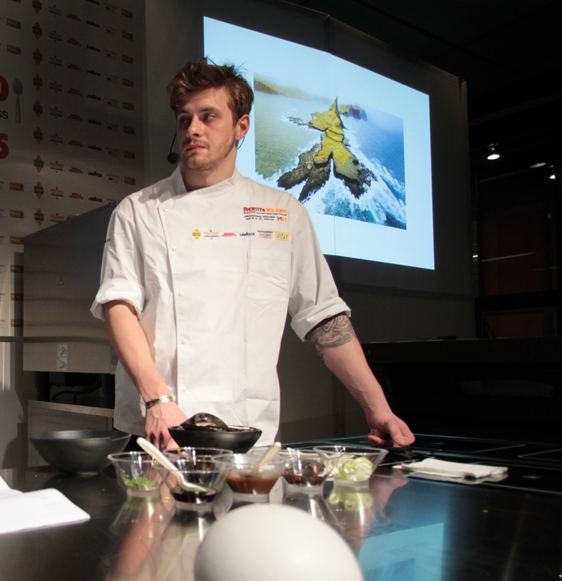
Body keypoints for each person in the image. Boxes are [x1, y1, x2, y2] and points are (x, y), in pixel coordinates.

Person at [91, 59, 414, 450]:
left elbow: (324, 316)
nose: (192, 129)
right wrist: (157, 399)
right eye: (184, 119)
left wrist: (377, 406)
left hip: (247, 433)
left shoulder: (282, 213)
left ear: (241, 126)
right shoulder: (137, 210)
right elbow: (118, 306)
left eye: (208, 116)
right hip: (160, 432)